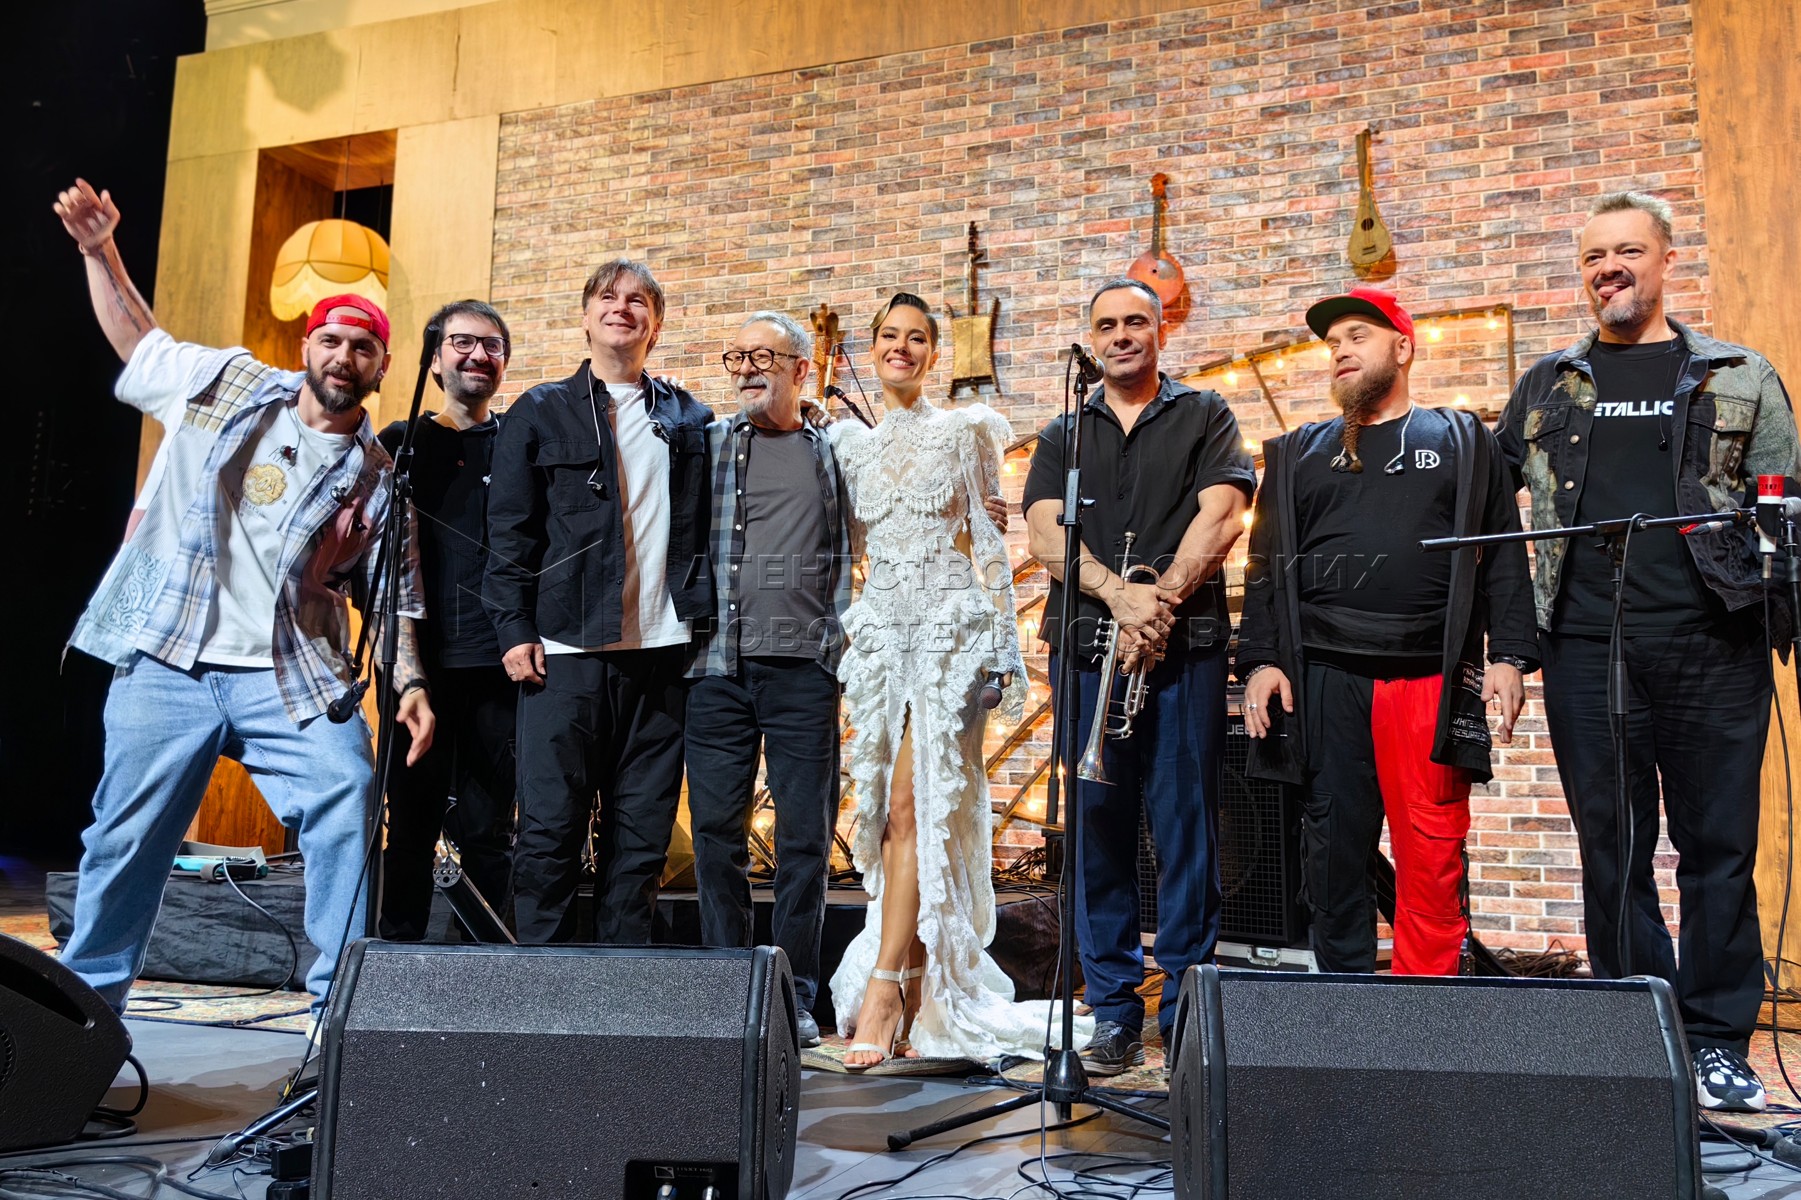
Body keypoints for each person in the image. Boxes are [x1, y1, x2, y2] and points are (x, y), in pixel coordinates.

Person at [50, 178, 434, 1018]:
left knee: (346, 794)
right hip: (169, 656)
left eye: (361, 348)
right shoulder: (227, 381)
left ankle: (339, 1023)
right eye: (331, 341)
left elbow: (398, 601)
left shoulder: (379, 480)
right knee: (122, 841)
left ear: (381, 366)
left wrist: (408, 684)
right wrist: (100, 250)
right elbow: (140, 341)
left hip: (286, 673)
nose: (343, 357)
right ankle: (81, 1028)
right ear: (308, 346)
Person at [1497, 191, 1800, 1113]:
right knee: (1611, 848)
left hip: (1716, 644)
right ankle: (1639, 1032)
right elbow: (1487, 513)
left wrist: (1783, 613)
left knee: (1717, 849)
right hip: (1587, 649)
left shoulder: (1738, 375)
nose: (1609, 269)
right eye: (1594, 257)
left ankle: (1715, 1043)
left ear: (1667, 259)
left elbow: (1787, 507)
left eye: (1627, 251)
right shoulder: (1547, 384)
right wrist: (1508, 648)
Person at [1238, 287, 1537, 979]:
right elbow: (1263, 566)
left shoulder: (1463, 440)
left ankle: (1424, 1013)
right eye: (1332, 342)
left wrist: (1510, 654)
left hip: (1429, 674)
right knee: (1331, 855)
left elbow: (1502, 549)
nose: (1340, 350)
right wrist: (1259, 660)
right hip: (1324, 678)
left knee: (1433, 851)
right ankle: (1345, 1009)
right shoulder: (1296, 453)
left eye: (1357, 336)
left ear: (1402, 347)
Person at [827, 292, 1075, 1067]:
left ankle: (886, 991)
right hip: (883, 641)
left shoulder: (965, 432)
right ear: (872, 348)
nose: (900, 347)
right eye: (888, 336)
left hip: (949, 638)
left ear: (934, 354)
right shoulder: (848, 448)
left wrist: (1003, 651)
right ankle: (911, 975)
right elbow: (844, 553)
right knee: (887, 816)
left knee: (918, 804)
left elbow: (988, 549)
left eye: (915, 338)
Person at [1023, 278, 1255, 1075]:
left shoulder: (1204, 414)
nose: (1120, 335)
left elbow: (1221, 514)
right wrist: (1118, 596)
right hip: (1084, 648)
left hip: (1183, 650)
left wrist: (1159, 602)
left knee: (1186, 830)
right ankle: (1114, 1013)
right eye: (1106, 325)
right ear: (1090, 341)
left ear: (1159, 331)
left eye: (1134, 322)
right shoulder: (1064, 432)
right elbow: (1044, 533)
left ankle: (1186, 1009)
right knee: (1096, 836)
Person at [484, 260, 712, 945]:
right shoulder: (539, 410)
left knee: (641, 839)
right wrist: (512, 627)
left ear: (656, 324)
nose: (622, 308)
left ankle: (622, 987)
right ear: (586, 317)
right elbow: (509, 532)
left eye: (639, 300)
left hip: (662, 655)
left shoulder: (689, 418)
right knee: (549, 831)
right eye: (607, 297)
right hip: (564, 651)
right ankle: (540, 985)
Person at [683, 311, 853, 1048]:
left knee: (804, 841)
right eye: (738, 357)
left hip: (805, 670)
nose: (748, 368)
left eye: (764, 356)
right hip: (716, 667)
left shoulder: (837, 450)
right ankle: (728, 986)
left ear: (800, 369)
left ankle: (793, 994)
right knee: (714, 833)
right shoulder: (711, 443)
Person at [376, 301, 518, 940]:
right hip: (420, 668)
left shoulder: (518, 442)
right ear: (435, 359)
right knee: (410, 825)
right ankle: (395, 959)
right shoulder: (399, 445)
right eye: (462, 342)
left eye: (492, 345)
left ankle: (484, 970)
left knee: (490, 830)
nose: (478, 355)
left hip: (499, 665)